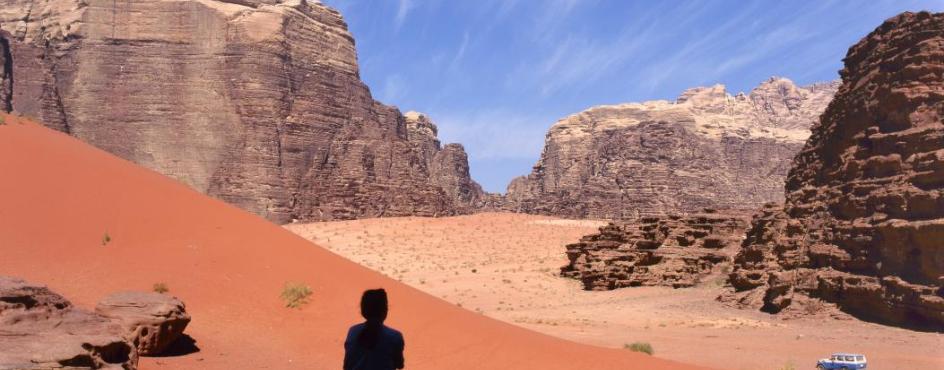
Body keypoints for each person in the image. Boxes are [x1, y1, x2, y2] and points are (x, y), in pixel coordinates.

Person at [344, 289, 405, 370]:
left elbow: (347, 365)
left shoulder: (353, 332)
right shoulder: (395, 337)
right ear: (385, 311)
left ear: (363, 311)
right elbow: (400, 365)